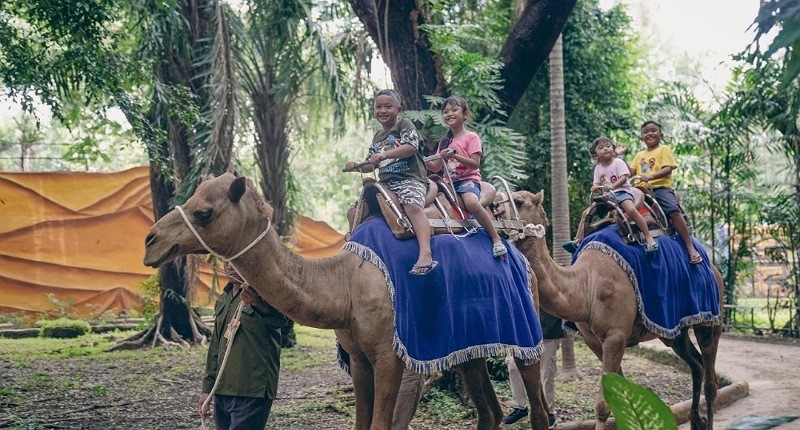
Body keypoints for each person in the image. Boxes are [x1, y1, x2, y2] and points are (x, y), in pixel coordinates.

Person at [343, 89, 437, 275]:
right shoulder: (377, 136)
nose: (382, 111)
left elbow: (411, 148)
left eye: (388, 106)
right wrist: (357, 167)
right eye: (378, 107)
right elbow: (372, 164)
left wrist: (385, 154)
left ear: (399, 109)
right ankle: (355, 251)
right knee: (353, 211)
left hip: (410, 179)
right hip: (386, 185)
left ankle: (425, 253)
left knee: (411, 206)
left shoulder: (404, 124)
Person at [198, 262, 288, 429]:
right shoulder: (224, 298)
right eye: (227, 262)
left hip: (252, 390)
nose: (231, 266)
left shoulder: (265, 293)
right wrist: (207, 390)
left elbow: (281, 321)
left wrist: (257, 303)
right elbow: (215, 346)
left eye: (235, 261)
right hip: (222, 390)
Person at [426, 95, 507, 258]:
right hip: (447, 184)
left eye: (454, 110)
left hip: (467, 181)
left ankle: (495, 238)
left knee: (472, 203)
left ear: (465, 115)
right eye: (446, 111)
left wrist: (454, 156)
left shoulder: (471, 137)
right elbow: (436, 168)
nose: (449, 114)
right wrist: (423, 160)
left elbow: (475, 164)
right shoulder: (444, 142)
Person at [630, 120, 702, 264]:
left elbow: (668, 169)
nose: (650, 133)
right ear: (641, 137)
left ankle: (690, 248)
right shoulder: (639, 155)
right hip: (639, 190)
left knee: (673, 211)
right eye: (646, 132)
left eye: (653, 130)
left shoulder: (664, 149)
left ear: (661, 134)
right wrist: (617, 159)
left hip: (659, 188)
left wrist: (650, 176)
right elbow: (629, 172)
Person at [590, 136, 659, 253]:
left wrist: (612, 186)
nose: (606, 149)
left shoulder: (618, 162)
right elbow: (596, 183)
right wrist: (595, 187)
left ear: (613, 149)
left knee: (631, 210)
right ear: (595, 155)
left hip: (622, 192)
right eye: (601, 148)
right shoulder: (598, 168)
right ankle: (578, 240)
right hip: (608, 196)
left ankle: (648, 237)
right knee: (587, 214)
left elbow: (623, 177)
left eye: (608, 146)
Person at [503, 311, 564, 428]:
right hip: (522, 330)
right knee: (513, 366)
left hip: (549, 331)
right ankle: (520, 408)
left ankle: (549, 412)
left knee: (547, 372)